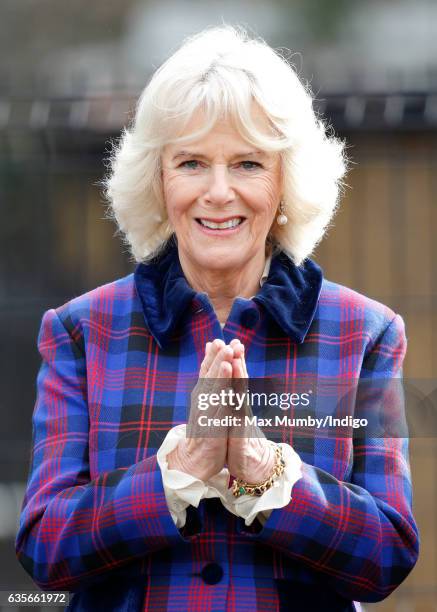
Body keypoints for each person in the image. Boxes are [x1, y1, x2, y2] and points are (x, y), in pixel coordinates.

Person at [16, 26, 419, 611]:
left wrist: (268, 472)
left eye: (249, 163)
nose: (219, 191)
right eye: (192, 163)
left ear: (286, 182)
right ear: (159, 179)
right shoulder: (82, 331)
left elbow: (386, 557)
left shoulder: (364, 334)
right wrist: (175, 473)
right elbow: (46, 547)